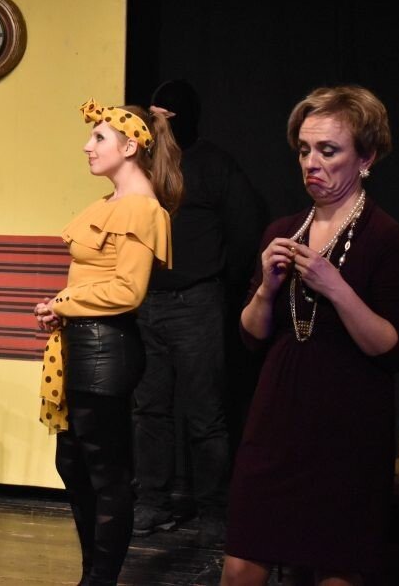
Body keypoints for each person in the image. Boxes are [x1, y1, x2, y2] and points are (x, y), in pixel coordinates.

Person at [221, 86, 399, 585]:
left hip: (347, 421)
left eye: (328, 151)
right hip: (277, 414)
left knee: (336, 567)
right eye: (304, 150)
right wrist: (266, 290)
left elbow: (393, 348)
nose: (312, 163)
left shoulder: (386, 238)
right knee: (241, 564)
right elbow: (252, 336)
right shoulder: (282, 231)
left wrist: (337, 288)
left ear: (366, 158)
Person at [34, 98, 181, 586]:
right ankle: (90, 574)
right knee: (72, 462)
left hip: (107, 350)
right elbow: (94, 282)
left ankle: (101, 580)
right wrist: (60, 307)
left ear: (131, 146)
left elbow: (128, 291)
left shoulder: (142, 209)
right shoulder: (110, 204)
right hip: (82, 344)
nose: (87, 146)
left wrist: (64, 302)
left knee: (104, 470)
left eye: (99, 137)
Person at [132, 80, 264, 546]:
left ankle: (214, 507)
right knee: (149, 408)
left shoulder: (213, 164)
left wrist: (220, 283)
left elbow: (246, 229)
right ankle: (153, 499)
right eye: (154, 115)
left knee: (205, 412)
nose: (159, 125)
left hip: (197, 303)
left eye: (166, 117)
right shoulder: (145, 163)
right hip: (147, 302)